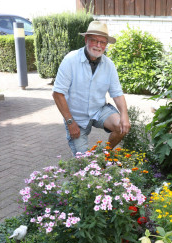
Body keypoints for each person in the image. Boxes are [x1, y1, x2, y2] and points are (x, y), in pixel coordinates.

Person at [52, 21, 130, 156]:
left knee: (121, 126)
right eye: (94, 40)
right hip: (75, 117)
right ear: (86, 39)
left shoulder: (109, 65)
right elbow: (58, 93)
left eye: (103, 42)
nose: (99, 46)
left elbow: (117, 93)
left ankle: (103, 154)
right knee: (83, 160)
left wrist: (125, 116)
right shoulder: (70, 60)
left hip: (98, 111)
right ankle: (91, 161)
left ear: (106, 45)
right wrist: (70, 122)